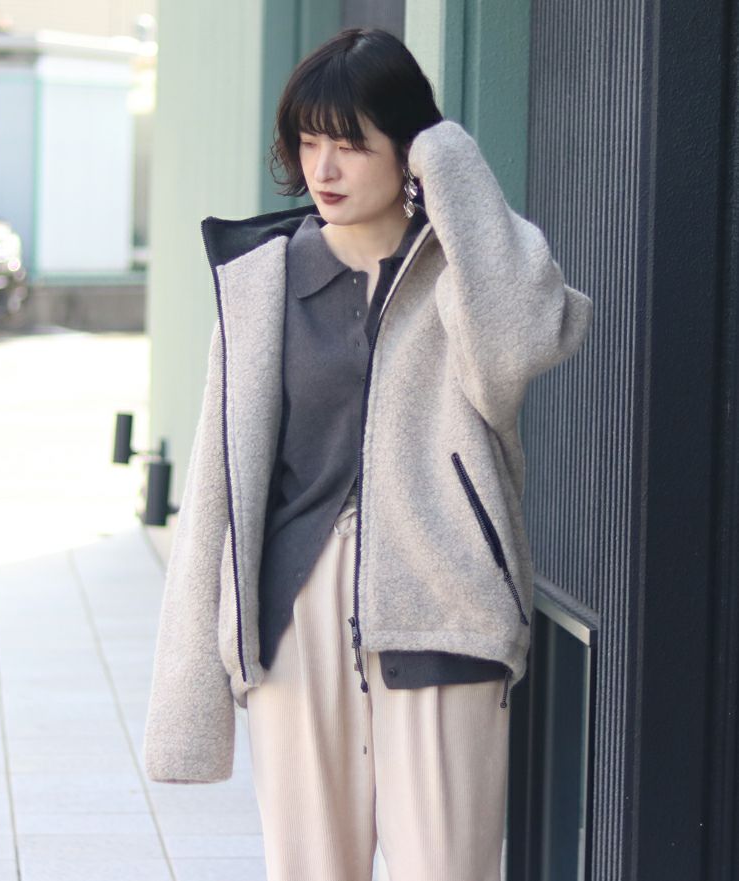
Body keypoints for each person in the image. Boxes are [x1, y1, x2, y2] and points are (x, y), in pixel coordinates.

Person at [143, 27, 594, 881]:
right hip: (296, 611)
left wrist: (447, 156)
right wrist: (197, 668)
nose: (324, 168)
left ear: (407, 150)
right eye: (309, 142)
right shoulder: (264, 282)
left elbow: (522, 340)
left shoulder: (463, 278)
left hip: (439, 606)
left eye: (350, 144)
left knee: (445, 868)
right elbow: (215, 486)